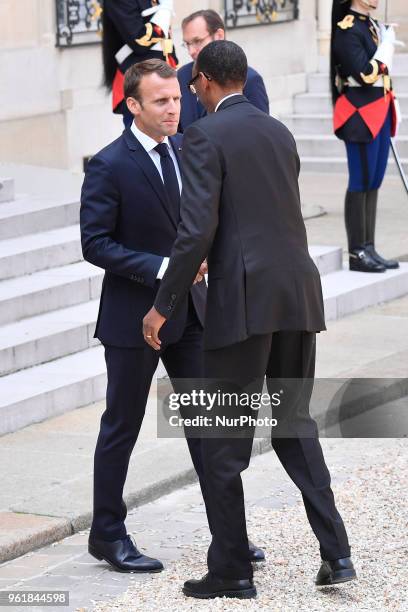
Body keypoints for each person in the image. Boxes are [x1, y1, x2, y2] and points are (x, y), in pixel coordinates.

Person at [143, 41, 356, 599]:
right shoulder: (279, 131)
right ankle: (338, 553)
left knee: (221, 443)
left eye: (193, 85)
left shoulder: (204, 136)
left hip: (243, 302)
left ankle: (232, 570)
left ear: (209, 81)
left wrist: (163, 304)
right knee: (293, 422)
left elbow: (196, 232)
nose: (190, 94)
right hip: (296, 295)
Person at [80, 58, 263, 573]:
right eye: (160, 101)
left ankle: (228, 536)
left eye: (177, 98)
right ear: (132, 105)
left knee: (210, 426)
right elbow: (95, 244)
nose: (173, 108)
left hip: (193, 315)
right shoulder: (109, 164)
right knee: (123, 425)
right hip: (132, 318)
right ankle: (107, 534)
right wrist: (163, 267)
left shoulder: (189, 147)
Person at [331, 0, 401, 272]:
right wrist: (385, 50)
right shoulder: (346, 28)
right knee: (360, 181)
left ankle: (369, 247)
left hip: (379, 110)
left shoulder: (369, 24)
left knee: (374, 180)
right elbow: (364, 73)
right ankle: (357, 253)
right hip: (359, 115)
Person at [177, 9, 269, 131]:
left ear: (219, 36)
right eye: (187, 44)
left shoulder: (250, 78)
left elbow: (259, 131)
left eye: (197, 41)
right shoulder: (182, 76)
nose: (191, 51)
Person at [102, 0, 178, 127]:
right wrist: (164, 11)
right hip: (140, 85)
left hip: (165, 81)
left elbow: (165, 42)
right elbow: (139, 40)